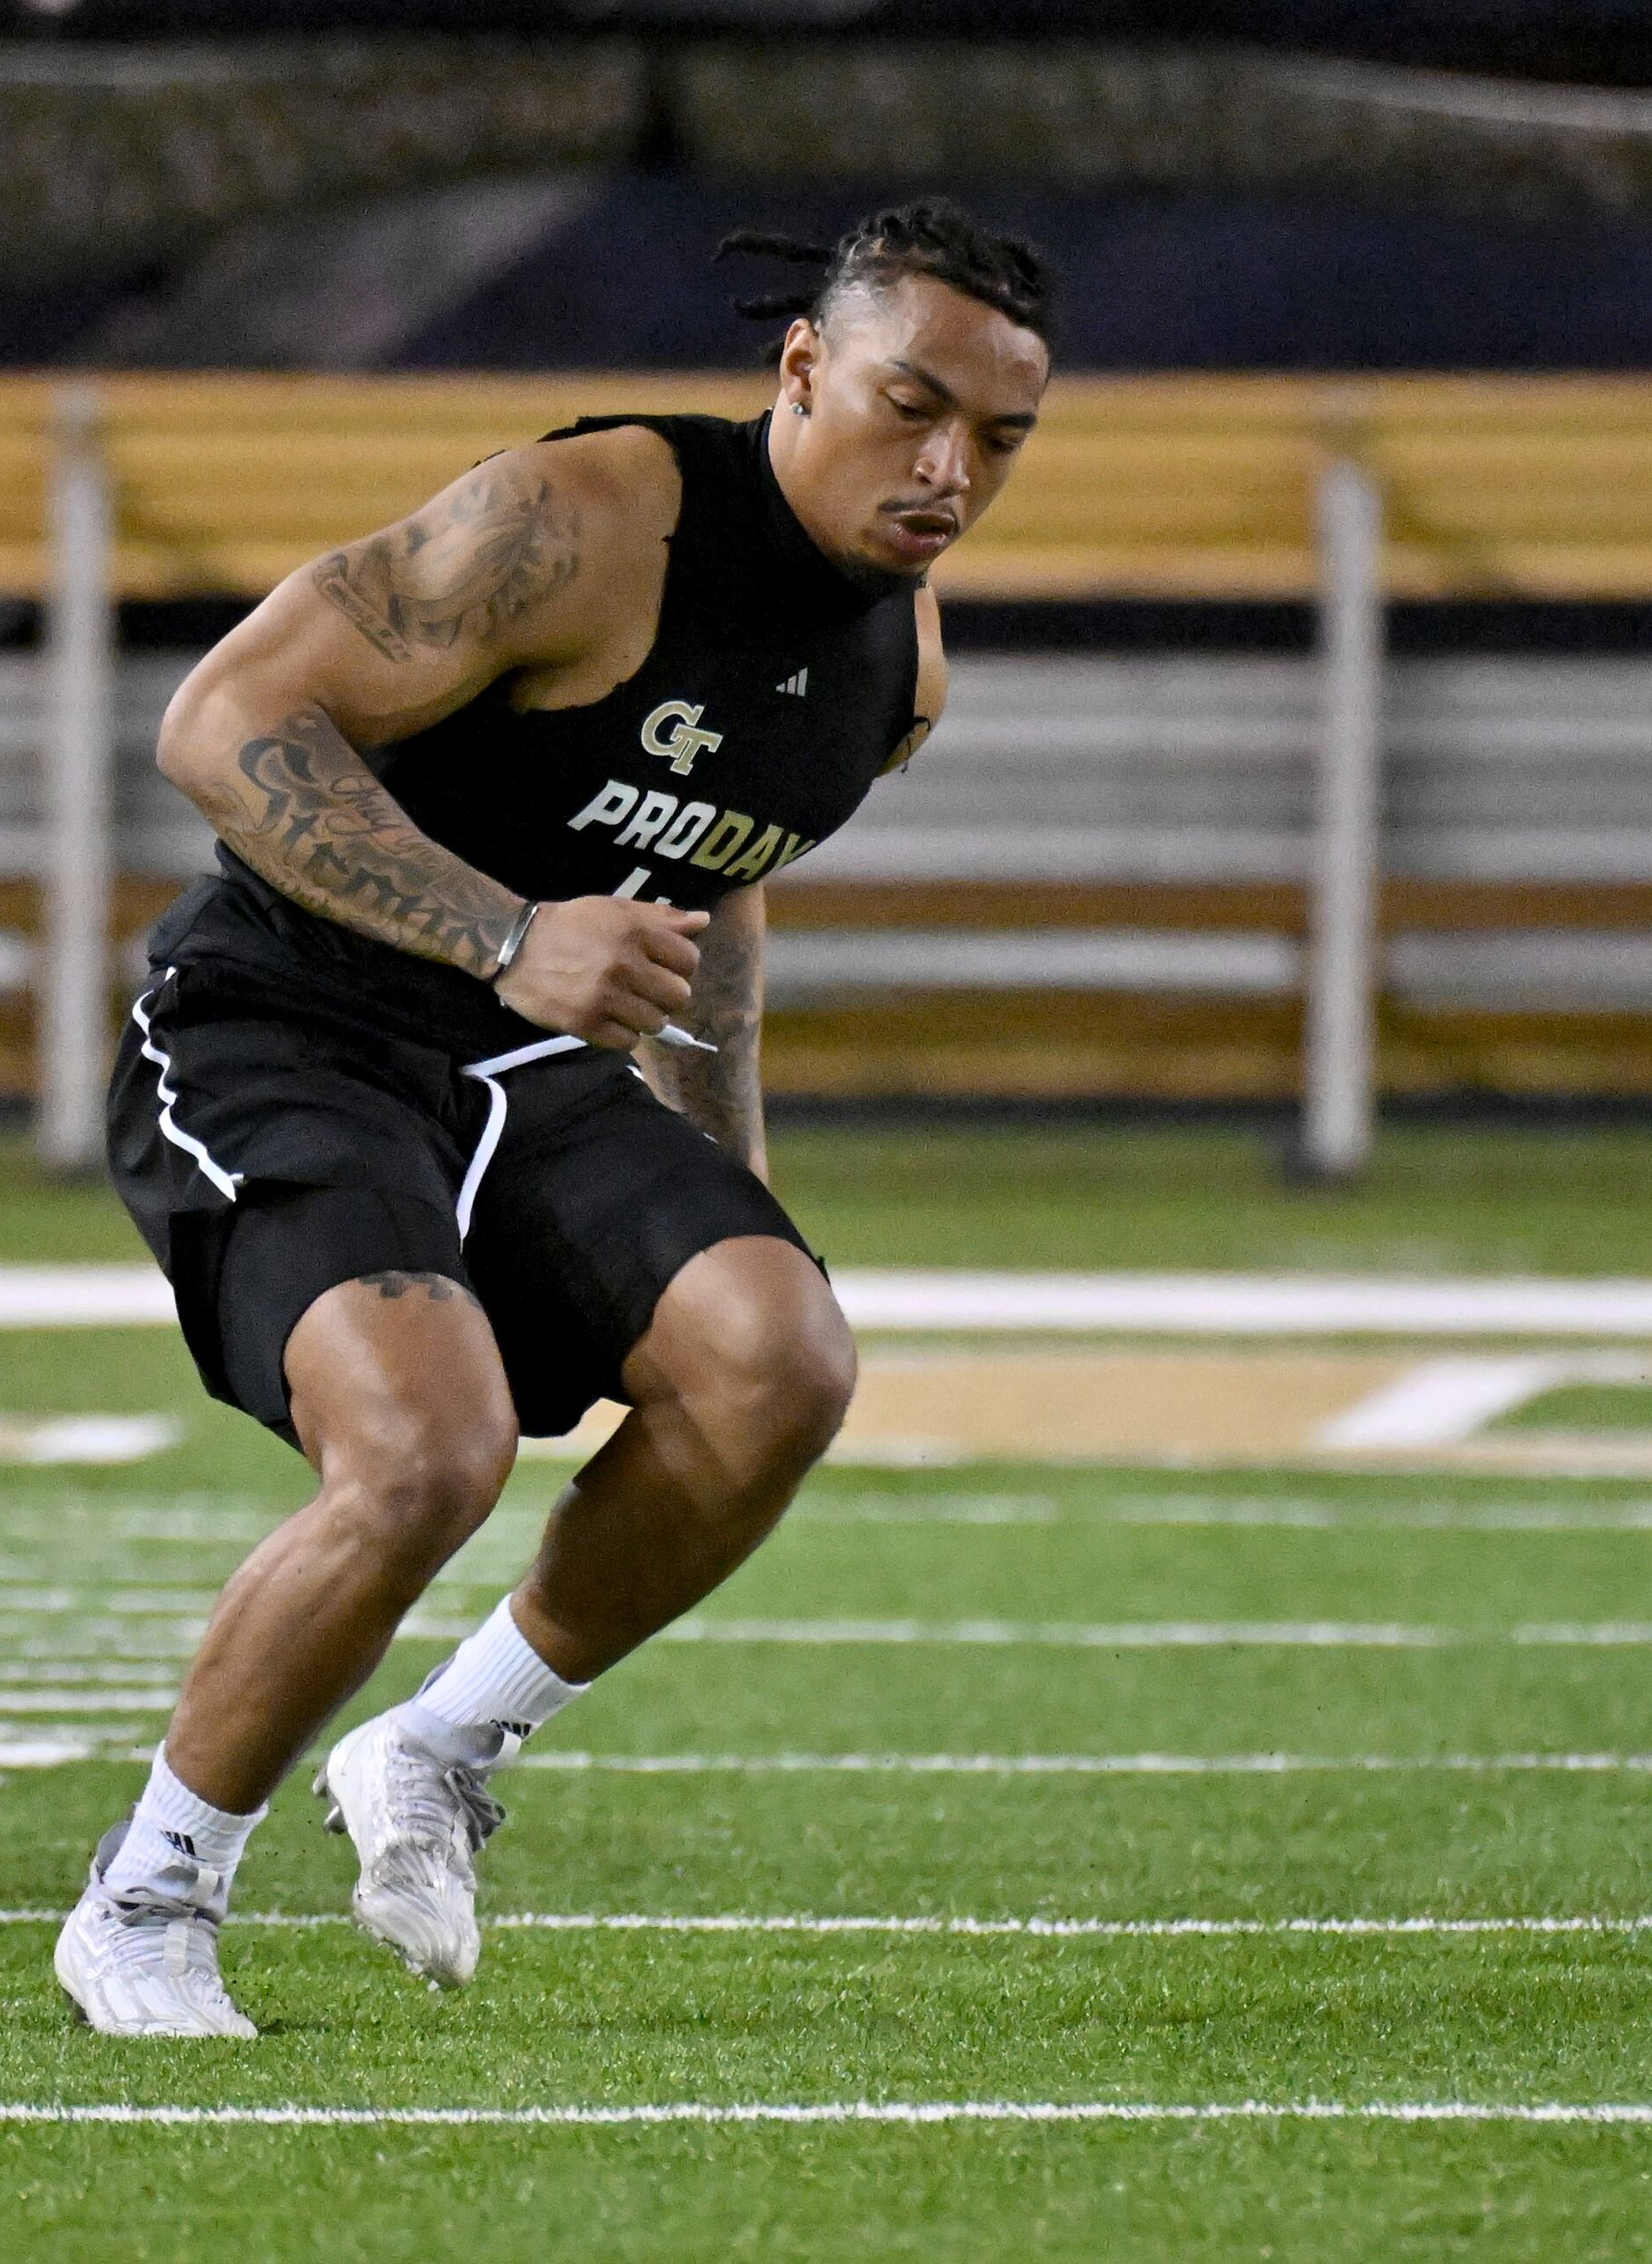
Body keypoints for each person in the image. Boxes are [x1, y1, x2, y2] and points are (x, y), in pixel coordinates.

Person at [56, 199, 1055, 2035]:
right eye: (914, 405)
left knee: (780, 1355)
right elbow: (221, 719)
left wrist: (723, 1180)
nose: (950, 467)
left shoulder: (896, 670)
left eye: (999, 436)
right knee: (424, 1452)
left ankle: (433, 1754)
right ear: (801, 368)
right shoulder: (587, 517)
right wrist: (506, 932)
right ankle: (150, 1887)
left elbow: (712, 878)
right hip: (286, 1014)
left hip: (521, 1060)